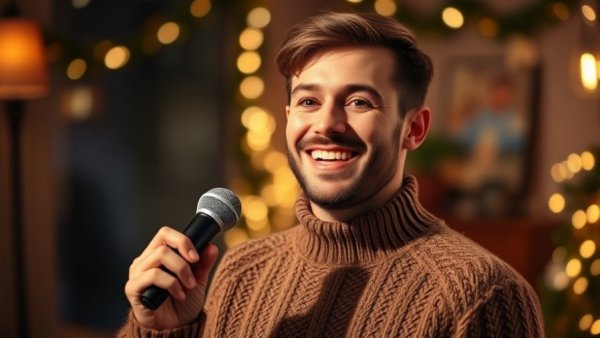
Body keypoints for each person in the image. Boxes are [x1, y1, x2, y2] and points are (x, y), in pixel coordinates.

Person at [118, 11, 544, 337]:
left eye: (359, 102)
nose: (326, 124)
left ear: (413, 128)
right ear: (288, 117)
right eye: (308, 102)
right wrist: (162, 328)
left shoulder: (482, 294)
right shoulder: (240, 270)